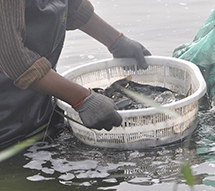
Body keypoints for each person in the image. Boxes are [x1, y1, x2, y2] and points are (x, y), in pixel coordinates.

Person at [0, 0, 151, 148]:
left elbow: (72, 6)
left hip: (39, 103)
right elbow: (13, 58)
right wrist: (82, 99)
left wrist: (115, 40)